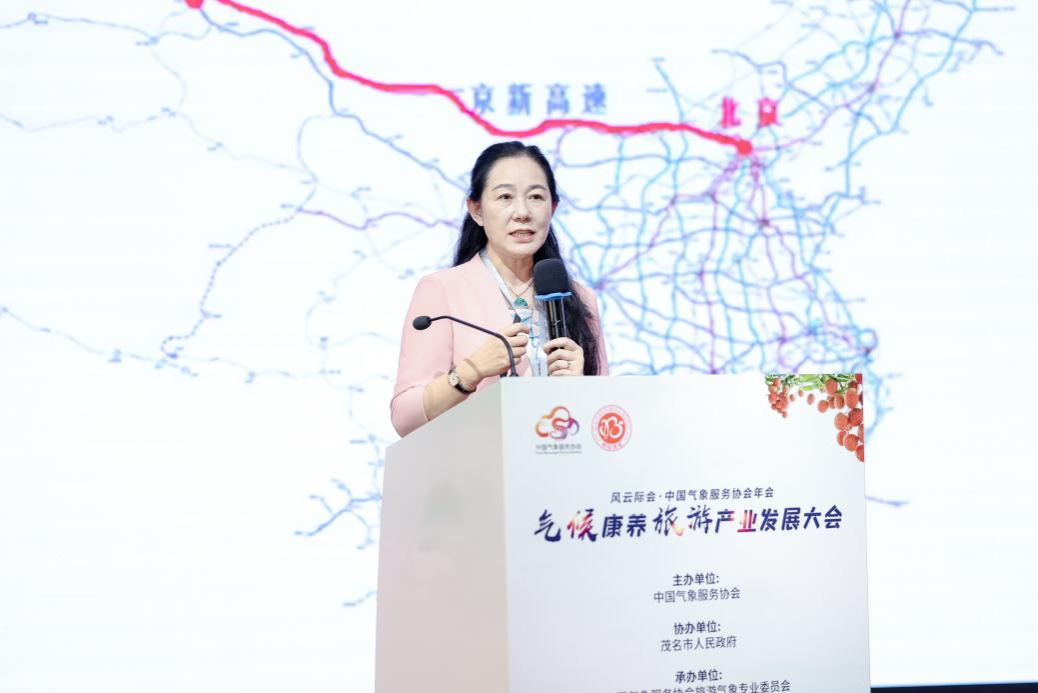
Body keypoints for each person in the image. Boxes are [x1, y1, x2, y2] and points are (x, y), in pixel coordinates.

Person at [390, 141, 608, 437]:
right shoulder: (441, 289)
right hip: (475, 462)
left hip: (561, 459)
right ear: (477, 210)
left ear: (553, 208)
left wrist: (583, 388)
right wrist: (472, 370)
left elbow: (604, 420)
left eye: (536, 197)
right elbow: (405, 418)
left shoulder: (579, 297)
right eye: (505, 197)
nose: (522, 212)